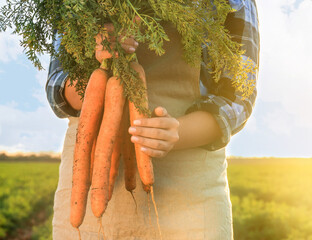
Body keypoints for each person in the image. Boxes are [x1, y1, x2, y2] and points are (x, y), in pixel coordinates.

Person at [45, 0, 259, 239]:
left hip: (190, 193)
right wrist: (98, 67)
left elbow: (238, 99)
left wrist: (178, 132)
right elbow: (57, 89)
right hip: (86, 189)